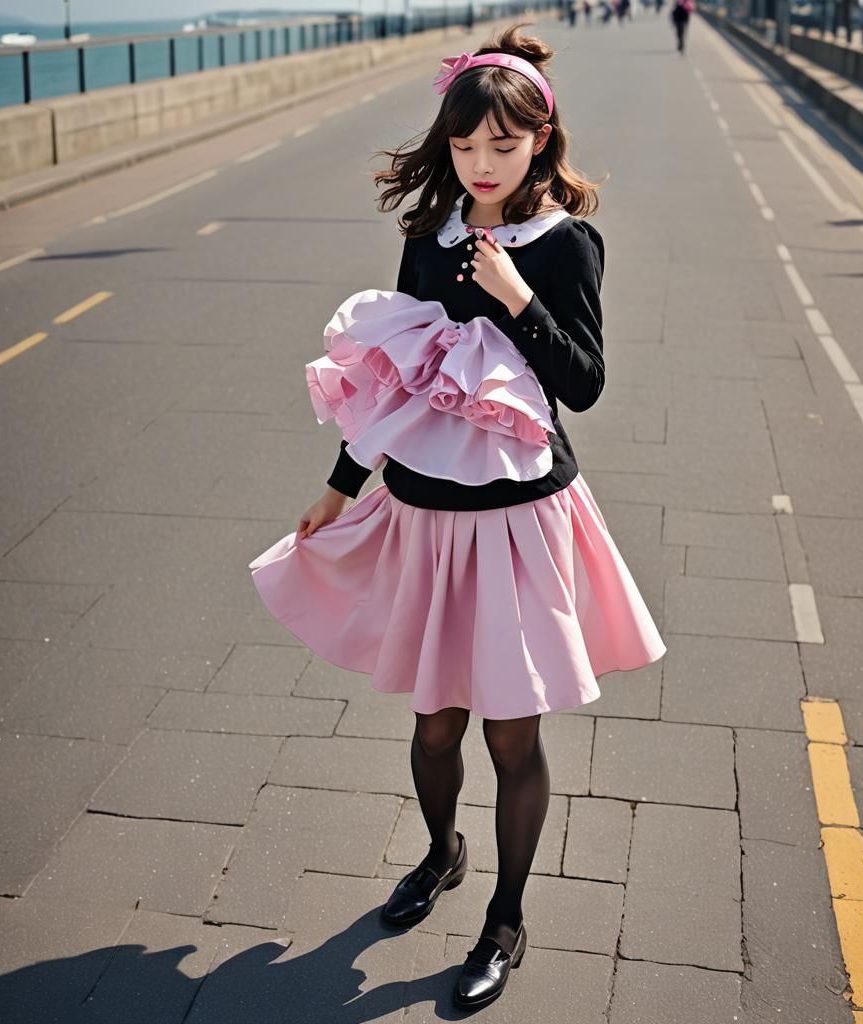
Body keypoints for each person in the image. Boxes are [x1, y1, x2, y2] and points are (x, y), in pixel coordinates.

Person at [248, 23, 666, 1010]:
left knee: (510, 738)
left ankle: (504, 919)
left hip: (521, 518)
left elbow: (584, 382)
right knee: (435, 726)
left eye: (503, 146)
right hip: (431, 516)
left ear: (538, 142)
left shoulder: (562, 244)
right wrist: (340, 486)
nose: (482, 165)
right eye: (466, 146)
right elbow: (392, 379)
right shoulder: (426, 239)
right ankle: (442, 853)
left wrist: (519, 298)